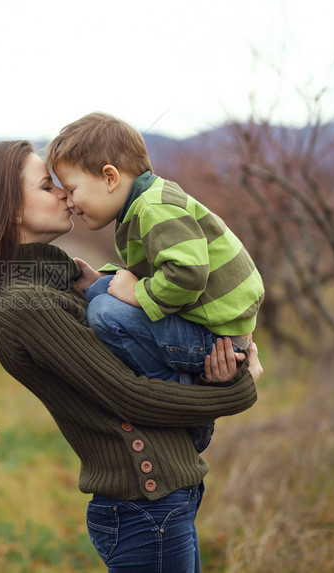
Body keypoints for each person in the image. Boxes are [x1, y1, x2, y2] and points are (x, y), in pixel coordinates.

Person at [0, 139, 262, 572]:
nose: (64, 193)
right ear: (10, 210)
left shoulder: (57, 283)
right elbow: (130, 396)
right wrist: (237, 393)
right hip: (144, 507)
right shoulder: (21, 304)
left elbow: (149, 363)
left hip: (164, 499)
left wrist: (212, 374)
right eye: (46, 186)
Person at [46, 112, 265, 453]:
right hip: (204, 322)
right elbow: (157, 269)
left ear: (109, 177)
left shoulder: (154, 207)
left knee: (105, 311)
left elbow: (188, 274)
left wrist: (133, 292)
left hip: (217, 338)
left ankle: (183, 407)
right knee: (103, 292)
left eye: (72, 190)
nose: (70, 203)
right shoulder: (145, 204)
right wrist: (102, 278)